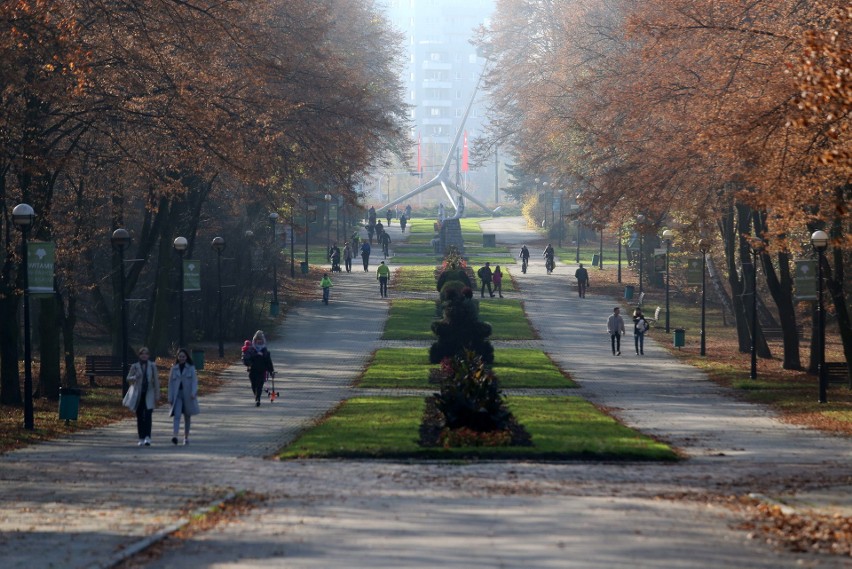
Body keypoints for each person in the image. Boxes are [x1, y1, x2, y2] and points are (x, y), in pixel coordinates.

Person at [123, 346, 159, 446]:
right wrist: (135, 377)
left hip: (149, 393)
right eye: (142, 354)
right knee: (139, 417)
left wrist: (157, 394)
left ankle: (148, 437)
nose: (144, 355)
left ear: (148, 355)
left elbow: (156, 381)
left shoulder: (152, 366)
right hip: (138, 394)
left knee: (148, 416)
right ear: (139, 355)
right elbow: (128, 378)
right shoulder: (135, 366)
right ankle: (141, 437)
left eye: (146, 354)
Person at [168, 348, 199, 445]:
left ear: (186, 357)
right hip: (177, 395)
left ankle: (186, 437)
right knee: (177, 415)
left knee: (187, 416)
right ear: (177, 357)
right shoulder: (174, 369)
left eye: (183, 356)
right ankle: (175, 436)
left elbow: (194, 381)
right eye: (180, 356)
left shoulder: (191, 368)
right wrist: (170, 397)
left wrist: (193, 393)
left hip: (188, 395)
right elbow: (170, 384)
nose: (182, 358)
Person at [243, 330, 275, 406]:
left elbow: (268, 362)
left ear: (263, 341)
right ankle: (256, 396)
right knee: (254, 385)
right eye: (258, 340)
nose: (259, 341)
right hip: (253, 371)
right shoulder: (251, 350)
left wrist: (271, 371)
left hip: (262, 371)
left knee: (259, 386)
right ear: (255, 340)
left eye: (261, 340)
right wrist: (251, 361)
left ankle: (258, 399)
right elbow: (246, 359)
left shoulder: (265, 351)